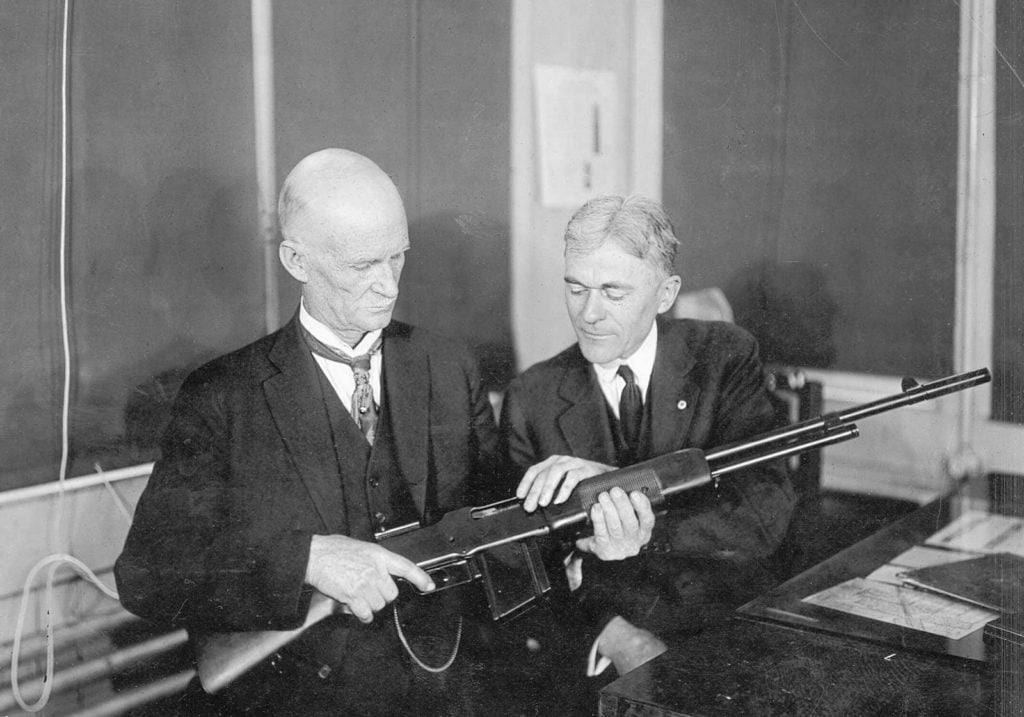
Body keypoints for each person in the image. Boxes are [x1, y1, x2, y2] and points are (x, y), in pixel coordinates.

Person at [114, 149, 648, 716]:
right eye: (361, 265)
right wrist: (307, 560)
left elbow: (499, 522)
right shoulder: (222, 395)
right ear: (296, 260)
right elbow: (148, 572)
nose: (387, 285)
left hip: (445, 692)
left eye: (397, 258)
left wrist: (587, 530)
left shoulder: (448, 366)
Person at [500, 194, 796, 679]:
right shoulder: (532, 396)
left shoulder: (722, 357)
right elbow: (517, 565)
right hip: (603, 640)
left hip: (724, 627)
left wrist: (628, 504)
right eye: (576, 289)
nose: (589, 314)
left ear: (665, 293)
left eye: (613, 293)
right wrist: (618, 638)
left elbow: (763, 514)